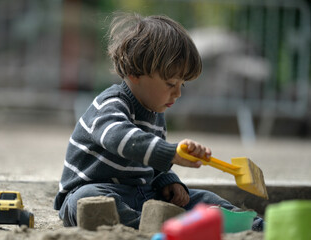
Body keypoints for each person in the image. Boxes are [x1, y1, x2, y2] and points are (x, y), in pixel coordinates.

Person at [54, 12, 263, 231]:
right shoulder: (109, 104)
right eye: (171, 83)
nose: (178, 93)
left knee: (204, 198)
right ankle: (165, 226)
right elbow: (120, 138)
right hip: (95, 190)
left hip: (143, 195)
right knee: (89, 200)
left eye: (182, 84)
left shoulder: (156, 112)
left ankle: (254, 225)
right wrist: (170, 153)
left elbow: (151, 163)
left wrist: (168, 181)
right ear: (135, 72)